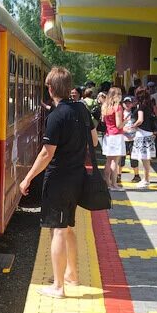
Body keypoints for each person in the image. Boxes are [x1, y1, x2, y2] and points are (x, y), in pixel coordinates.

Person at [19, 66, 99, 298]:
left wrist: (27, 179)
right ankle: (72, 275)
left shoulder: (57, 115)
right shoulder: (82, 110)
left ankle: (58, 287)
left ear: (51, 88)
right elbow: (93, 142)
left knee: (58, 231)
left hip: (59, 180)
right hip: (77, 177)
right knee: (69, 228)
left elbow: (46, 154)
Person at [129, 87, 157, 188]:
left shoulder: (141, 106)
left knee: (144, 158)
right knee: (146, 159)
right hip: (149, 133)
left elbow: (140, 120)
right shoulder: (149, 105)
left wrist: (133, 125)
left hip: (142, 134)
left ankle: (146, 180)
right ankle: (146, 179)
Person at [100, 86, 126, 190]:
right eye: (119, 94)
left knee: (108, 160)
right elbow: (119, 125)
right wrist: (126, 121)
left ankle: (107, 183)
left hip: (108, 135)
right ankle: (114, 184)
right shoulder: (118, 107)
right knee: (115, 161)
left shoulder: (105, 106)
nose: (120, 96)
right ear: (115, 96)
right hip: (116, 135)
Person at [121, 96, 142, 182]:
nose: (127, 104)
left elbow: (140, 124)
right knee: (121, 157)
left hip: (134, 138)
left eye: (129, 103)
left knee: (134, 157)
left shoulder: (136, 113)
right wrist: (123, 129)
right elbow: (117, 124)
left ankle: (136, 175)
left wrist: (135, 127)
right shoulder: (120, 113)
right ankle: (118, 175)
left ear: (132, 104)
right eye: (125, 103)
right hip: (123, 138)